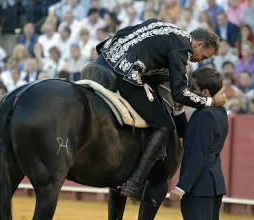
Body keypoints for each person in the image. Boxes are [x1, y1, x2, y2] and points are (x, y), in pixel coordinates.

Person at [95, 18, 226, 198]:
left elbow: (125, 32)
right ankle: (134, 182)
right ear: (198, 44)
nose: (198, 62)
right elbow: (178, 94)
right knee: (164, 125)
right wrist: (211, 102)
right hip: (124, 74)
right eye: (203, 57)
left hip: (103, 59)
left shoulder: (167, 27)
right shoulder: (182, 50)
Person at [169, 67, 228, 220]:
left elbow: (199, 153)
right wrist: (179, 108)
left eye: (193, 88)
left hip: (200, 187)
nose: (189, 91)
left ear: (205, 93)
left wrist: (182, 186)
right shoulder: (217, 112)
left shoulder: (205, 115)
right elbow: (186, 134)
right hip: (209, 186)